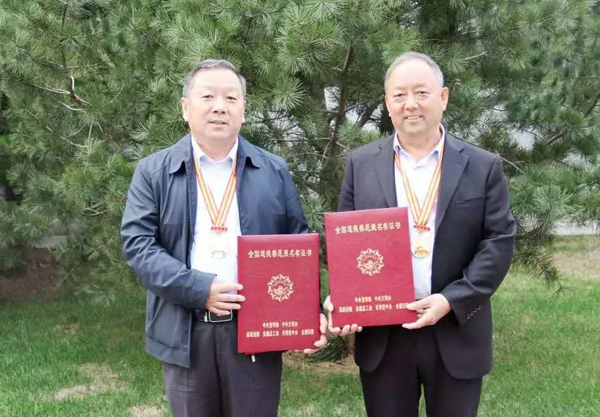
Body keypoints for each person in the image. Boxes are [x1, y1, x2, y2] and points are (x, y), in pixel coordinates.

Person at [121, 59, 327, 417]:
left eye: (231, 98)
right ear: (185, 107)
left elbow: (296, 244)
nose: (220, 106)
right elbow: (138, 245)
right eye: (208, 96)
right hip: (185, 329)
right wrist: (199, 289)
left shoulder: (273, 169)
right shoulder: (153, 171)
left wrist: (307, 313)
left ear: (243, 111)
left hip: (257, 330)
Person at [325, 52, 516, 417]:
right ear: (388, 103)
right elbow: (345, 245)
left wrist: (452, 300)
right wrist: (345, 296)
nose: (410, 104)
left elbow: (498, 243)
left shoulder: (482, 166)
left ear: (443, 98)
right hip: (385, 335)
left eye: (421, 93)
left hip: (454, 327)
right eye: (399, 95)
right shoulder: (361, 165)